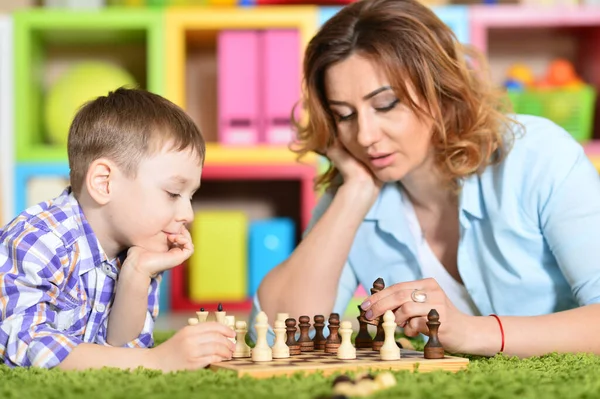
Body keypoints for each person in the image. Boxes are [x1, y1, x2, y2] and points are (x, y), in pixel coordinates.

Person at [254, 0, 600, 358]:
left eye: (386, 104)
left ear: (440, 90)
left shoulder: (539, 156)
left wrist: (473, 332)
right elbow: (277, 332)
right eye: (344, 115)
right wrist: (355, 191)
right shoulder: (354, 188)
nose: (365, 136)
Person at [0, 88, 235, 370]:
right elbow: (24, 344)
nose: (188, 214)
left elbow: (121, 350)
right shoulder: (37, 241)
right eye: (173, 193)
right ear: (104, 183)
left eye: (191, 196)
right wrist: (155, 361)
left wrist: (136, 273)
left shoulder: (137, 247)